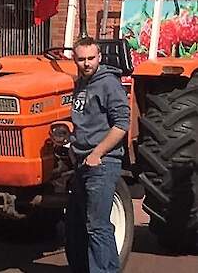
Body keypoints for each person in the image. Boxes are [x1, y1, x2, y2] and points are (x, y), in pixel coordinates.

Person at [65, 36, 130, 273]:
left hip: (102, 164)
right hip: (81, 163)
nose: (86, 63)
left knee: (97, 226)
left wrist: (97, 153)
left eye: (91, 58)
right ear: (75, 59)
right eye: (81, 59)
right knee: (75, 225)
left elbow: (121, 125)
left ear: (99, 58)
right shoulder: (80, 84)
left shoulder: (109, 84)